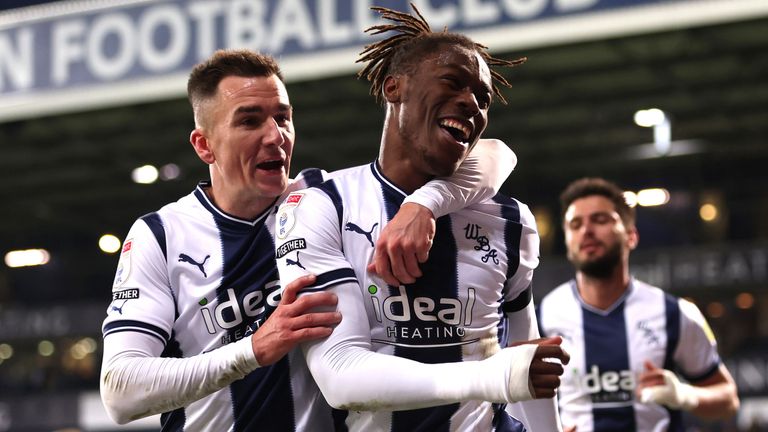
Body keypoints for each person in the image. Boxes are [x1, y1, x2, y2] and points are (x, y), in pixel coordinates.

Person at [99, 48, 520, 430]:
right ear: (204, 145)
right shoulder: (160, 236)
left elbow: (495, 153)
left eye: (282, 117)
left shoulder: (323, 203)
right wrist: (254, 348)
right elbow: (121, 391)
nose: (275, 135)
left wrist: (426, 203)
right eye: (249, 120)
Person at [275, 5, 569, 431]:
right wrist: (491, 375)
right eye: (452, 82)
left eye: (483, 99)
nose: (471, 103)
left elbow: (529, 363)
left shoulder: (511, 220)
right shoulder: (323, 206)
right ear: (394, 87)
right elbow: (340, 375)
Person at [537, 177, 740, 432]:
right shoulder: (544, 315)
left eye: (600, 220)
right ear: (567, 243)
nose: (586, 230)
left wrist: (684, 395)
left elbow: (728, 399)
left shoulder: (674, 313)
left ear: (631, 236)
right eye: (575, 224)